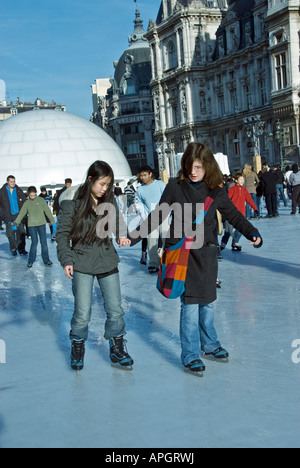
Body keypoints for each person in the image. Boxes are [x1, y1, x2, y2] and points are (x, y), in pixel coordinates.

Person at [129, 143, 262, 376]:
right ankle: (190, 354)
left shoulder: (216, 190)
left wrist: (252, 232)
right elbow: (158, 215)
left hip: (207, 253)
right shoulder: (175, 187)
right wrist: (132, 237)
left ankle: (209, 345)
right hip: (182, 254)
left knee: (208, 301)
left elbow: (233, 214)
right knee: (190, 305)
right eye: (190, 166)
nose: (193, 171)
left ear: (207, 167)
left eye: (199, 167)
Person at [56, 161, 134, 372]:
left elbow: (118, 222)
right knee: (82, 313)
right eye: (101, 183)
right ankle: (77, 346)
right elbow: (62, 235)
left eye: (108, 184)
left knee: (116, 310)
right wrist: (67, 260)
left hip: (107, 260)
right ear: (90, 179)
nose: (104, 188)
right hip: (81, 262)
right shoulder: (72, 204)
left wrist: (122, 236)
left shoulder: (109, 202)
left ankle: (117, 347)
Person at [14, 186, 56, 268]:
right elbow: (22, 213)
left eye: (34, 195)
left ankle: (46, 260)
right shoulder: (27, 203)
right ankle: (31, 260)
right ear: (28, 194)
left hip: (41, 224)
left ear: (36, 193)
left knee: (44, 243)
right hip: (32, 226)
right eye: (31, 195)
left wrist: (52, 222)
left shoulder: (41, 200)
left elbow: (47, 211)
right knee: (34, 243)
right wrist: (16, 222)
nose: (32, 197)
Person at [136, 165, 166, 273]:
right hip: (150, 218)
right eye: (141, 175)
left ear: (150, 174)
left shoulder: (160, 184)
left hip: (164, 216)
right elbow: (140, 205)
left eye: (145, 175)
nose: (143, 177)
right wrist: (144, 218)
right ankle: (154, 263)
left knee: (166, 239)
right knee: (152, 241)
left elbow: (167, 198)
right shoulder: (140, 189)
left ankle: (167, 262)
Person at [221, 172, 259, 251]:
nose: (242, 181)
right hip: (231, 214)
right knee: (228, 230)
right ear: (236, 180)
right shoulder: (232, 189)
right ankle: (223, 244)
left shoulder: (244, 190)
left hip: (241, 214)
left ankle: (235, 242)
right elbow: (227, 200)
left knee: (240, 230)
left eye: (243, 179)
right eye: (240, 179)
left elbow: (249, 200)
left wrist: (255, 208)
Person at [0, 175, 27, 256]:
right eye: (11, 181)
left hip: (18, 215)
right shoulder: (2, 192)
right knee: (10, 234)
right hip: (8, 216)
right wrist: (4, 217)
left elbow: (24, 202)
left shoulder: (18, 190)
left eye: (14, 181)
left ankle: (21, 249)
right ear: (7, 181)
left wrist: (24, 214)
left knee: (21, 232)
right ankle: (13, 248)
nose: (13, 183)